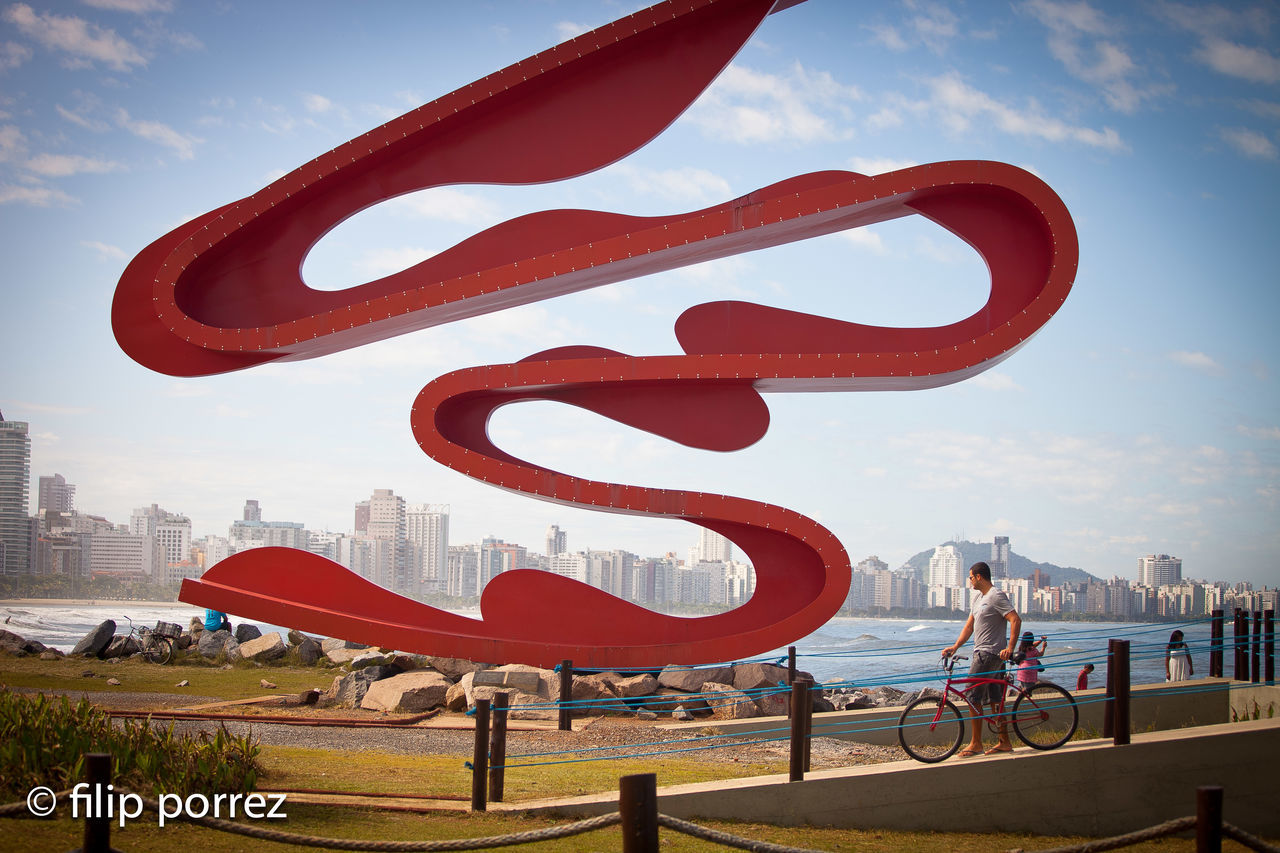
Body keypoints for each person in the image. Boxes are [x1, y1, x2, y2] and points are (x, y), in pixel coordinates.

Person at [942, 561, 1021, 757]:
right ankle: (1004, 741)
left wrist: (1010, 648)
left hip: (990, 654)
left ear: (979, 577)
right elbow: (969, 626)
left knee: (972, 697)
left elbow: (1015, 619)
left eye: (970, 577)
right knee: (995, 699)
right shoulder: (978, 598)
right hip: (983, 652)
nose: (969, 581)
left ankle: (976, 743)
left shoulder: (996, 596)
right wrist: (955, 647)